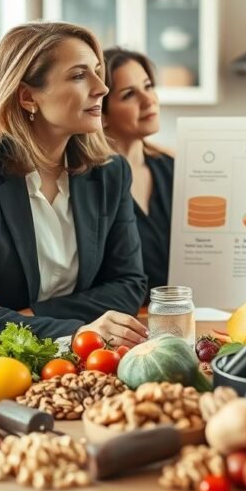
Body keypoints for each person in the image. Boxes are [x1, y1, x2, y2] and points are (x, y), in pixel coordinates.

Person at [0, 21, 149, 347]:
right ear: (28, 96)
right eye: (78, 75)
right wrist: (78, 331)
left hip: (88, 360)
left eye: (97, 71)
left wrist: (28, 315)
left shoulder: (110, 172)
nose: (101, 88)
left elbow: (129, 285)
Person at [101, 47, 174, 303]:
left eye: (148, 86)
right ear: (102, 114)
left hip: (182, 315)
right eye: (130, 94)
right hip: (123, 322)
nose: (148, 100)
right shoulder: (92, 184)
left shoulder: (172, 168)